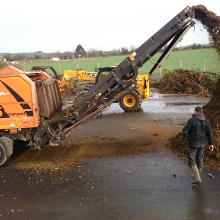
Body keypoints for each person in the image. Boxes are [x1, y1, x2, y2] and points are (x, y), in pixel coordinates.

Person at [182, 106, 214, 184]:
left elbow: (185, 131)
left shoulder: (191, 121)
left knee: (191, 160)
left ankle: (197, 178)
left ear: (195, 111)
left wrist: (183, 135)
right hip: (202, 143)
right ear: (202, 112)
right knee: (200, 159)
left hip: (193, 143)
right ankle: (198, 175)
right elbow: (210, 133)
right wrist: (211, 144)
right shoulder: (206, 122)